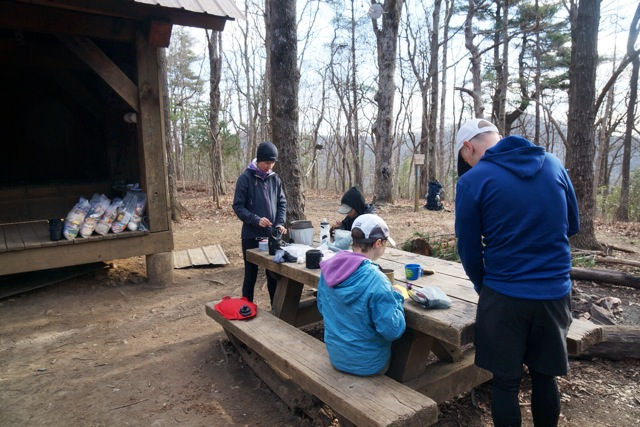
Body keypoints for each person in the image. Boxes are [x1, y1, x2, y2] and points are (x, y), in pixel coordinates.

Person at [454, 118, 580, 427]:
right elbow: (572, 225)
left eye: (464, 159)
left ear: (468, 147)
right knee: (544, 377)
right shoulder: (552, 164)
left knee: (506, 384)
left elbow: (469, 250)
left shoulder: (473, 181)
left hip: (504, 295)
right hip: (554, 292)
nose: (467, 165)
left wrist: (488, 288)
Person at [317, 214, 406, 376]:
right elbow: (393, 331)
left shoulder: (328, 269)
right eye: (385, 243)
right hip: (369, 365)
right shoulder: (378, 280)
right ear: (378, 243)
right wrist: (397, 298)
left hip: (337, 357)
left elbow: (322, 308)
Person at [232, 141, 287, 304]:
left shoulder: (275, 179)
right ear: (259, 160)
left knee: (272, 275)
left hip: (271, 235)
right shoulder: (245, 178)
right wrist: (256, 220)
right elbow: (238, 206)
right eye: (267, 163)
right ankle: (245, 309)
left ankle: (276, 311)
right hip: (251, 235)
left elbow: (282, 202)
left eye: (272, 163)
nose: (270, 166)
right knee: (250, 275)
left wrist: (279, 223)